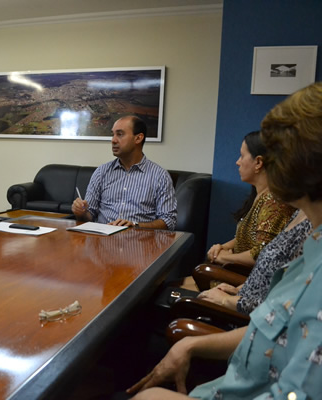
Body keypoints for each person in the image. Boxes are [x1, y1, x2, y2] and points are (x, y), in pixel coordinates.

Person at [127, 81, 322, 400]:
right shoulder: (311, 239)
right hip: (232, 378)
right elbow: (271, 325)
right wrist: (192, 344)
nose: (271, 165)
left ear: (305, 165)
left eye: (279, 154)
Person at [205, 131, 295, 267]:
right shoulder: (261, 195)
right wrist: (222, 247)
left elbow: (262, 253)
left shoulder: (273, 202)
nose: (237, 162)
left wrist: (225, 258)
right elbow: (250, 238)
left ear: (258, 162)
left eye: (242, 156)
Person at [72, 115, 177, 230]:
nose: (113, 140)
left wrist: (135, 225)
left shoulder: (160, 176)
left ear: (138, 138)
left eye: (120, 134)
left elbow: (168, 221)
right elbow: (89, 216)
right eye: (113, 134)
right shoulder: (102, 172)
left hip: (139, 238)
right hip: (103, 238)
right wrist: (81, 212)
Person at [197, 209, 311, 314]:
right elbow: (268, 277)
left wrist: (225, 300)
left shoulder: (312, 231)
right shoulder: (299, 214)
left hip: (250, 319)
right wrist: (238, 289)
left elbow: (281, 306)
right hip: (243, 300)